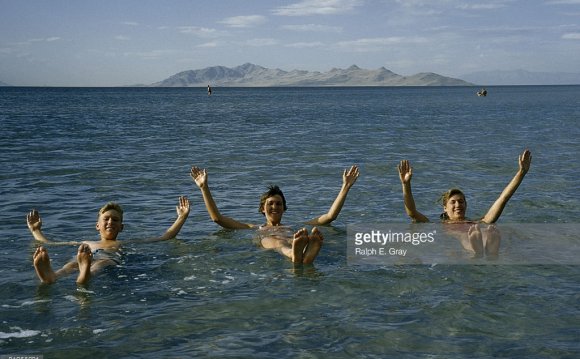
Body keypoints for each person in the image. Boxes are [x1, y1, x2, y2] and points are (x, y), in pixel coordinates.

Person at [190, 165, 360, 264]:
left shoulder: (294, 227)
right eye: (270, 204)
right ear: (262, 209)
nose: (275, 207)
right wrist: (204, 188)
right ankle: (297, 254)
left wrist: (345, 187)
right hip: (271, 241)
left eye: (279, 204)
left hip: (292, 240)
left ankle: (305, 253)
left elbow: (330, 216)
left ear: (284, 208)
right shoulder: (254, 227)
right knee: (275, 241)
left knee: (298, 236)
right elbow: (217, 219)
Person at [27, 196, 191, 285]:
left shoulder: (123, 243)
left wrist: (181, 218)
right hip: (86, 255)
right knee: (70, 265)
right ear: (97, 226)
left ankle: (85, 274)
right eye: (106, 219)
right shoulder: (87, 242)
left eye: (115, 220)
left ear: (122, 227)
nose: (110, 222)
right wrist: (36, 231)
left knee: (102, 263)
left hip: (108, 258)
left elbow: (165, 237)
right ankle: (52, 276)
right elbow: (51, 244)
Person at [397, 149, 532, 257]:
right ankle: (478, 251)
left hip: (477, 232)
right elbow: (412, 212)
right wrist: (406, 184)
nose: (458, 205)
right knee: (466, 235)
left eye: (461, 202)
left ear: (466, 205)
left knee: (487, 230)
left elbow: (503, 199)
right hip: (464, 239)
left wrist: (521, 173)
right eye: (453, 202)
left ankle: (490, 250)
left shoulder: (478, 222)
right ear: (445, 208)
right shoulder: (438, 225)